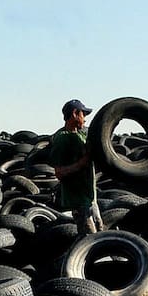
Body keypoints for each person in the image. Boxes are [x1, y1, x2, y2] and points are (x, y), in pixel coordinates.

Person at [50, 99, 104, 235]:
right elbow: (59, 173)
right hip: (78, 201)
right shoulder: (62, 138)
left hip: (91, 198)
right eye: (83, 114)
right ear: (75, 114)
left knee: (100, 232)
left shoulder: (82, 135)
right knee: (89, 239)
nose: (85, 119)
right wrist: (81, 164)